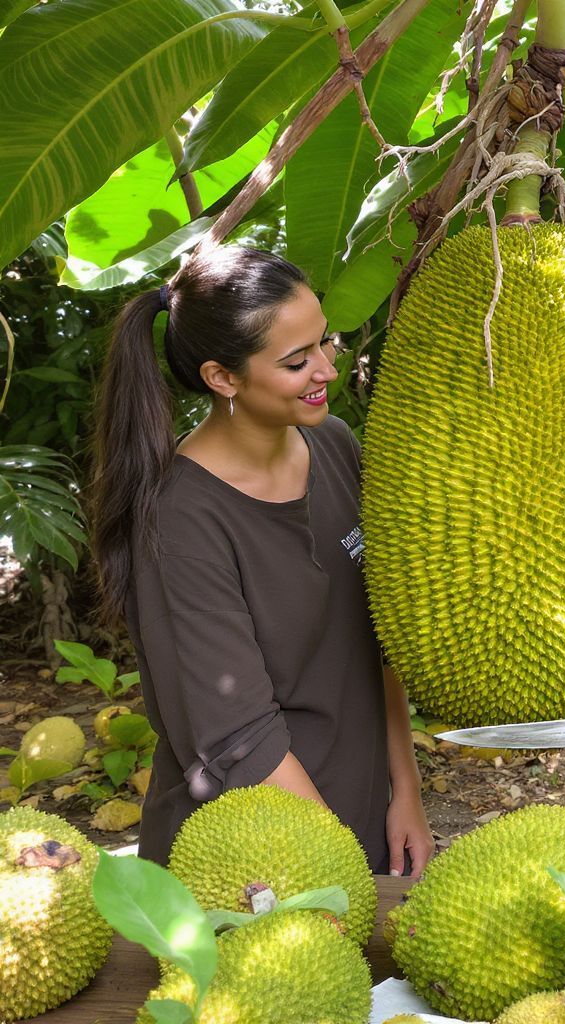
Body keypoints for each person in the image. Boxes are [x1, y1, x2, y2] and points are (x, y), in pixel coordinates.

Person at [89, 245, 434, 875]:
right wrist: (343, 868)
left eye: (325, 343)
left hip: (357, 811)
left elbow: (377, 634)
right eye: (298, 361)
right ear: (223, 378)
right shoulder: (180, 520)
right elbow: (235, 734)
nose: (327, 369)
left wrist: (403, 791)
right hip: (250, 852)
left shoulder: (333, 445)